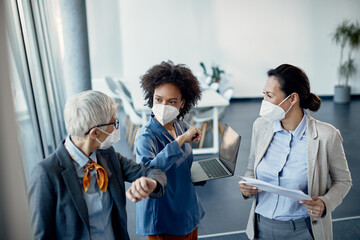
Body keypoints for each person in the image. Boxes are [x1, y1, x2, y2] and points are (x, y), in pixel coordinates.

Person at [28, 90, 167, 240]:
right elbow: (41, 235)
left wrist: (151, 183)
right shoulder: (46, 173)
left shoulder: (108, 155)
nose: (116, 127)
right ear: (94, 133)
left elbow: (153, 172)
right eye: (114, 122)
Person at [239, 64, 352, 240]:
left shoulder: (326, 136)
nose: (264, 102)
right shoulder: (260, 126)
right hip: (261, 228)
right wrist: (246, 188)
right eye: (264, 95)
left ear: (292, 99)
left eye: (270, 96)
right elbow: (251, 170)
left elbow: (343, 181)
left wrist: (325, 203)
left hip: (303, 231)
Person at [134, 61, 204, 240]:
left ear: (182, 103)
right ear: (152, 98)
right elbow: (148, 174)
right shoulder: (145, 137)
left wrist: (201, 174)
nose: (164, 105)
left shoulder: (181, 126)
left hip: (187, 212)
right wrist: (180, 141)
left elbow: (183, 165)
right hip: (164, 218)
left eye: (172, 101)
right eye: (159, 99)